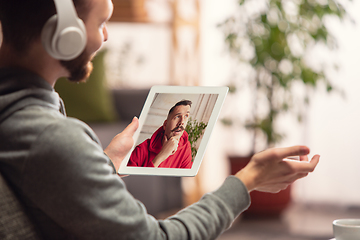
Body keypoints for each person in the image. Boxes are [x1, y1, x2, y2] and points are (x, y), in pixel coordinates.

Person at [0, 0, 320, 239]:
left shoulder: (20, 122)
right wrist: (247, 181)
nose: (106, 36)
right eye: (100, 23)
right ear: (64, 36)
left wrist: (106, 161)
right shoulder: (53, 138)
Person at [128, 100, 193, 168]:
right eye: (177, 117)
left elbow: (185, 177)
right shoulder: (141, 150)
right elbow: (128, 178)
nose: (182, 122)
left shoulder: (186, 147)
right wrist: (161, 156)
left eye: (186, 116)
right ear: (165, 124)